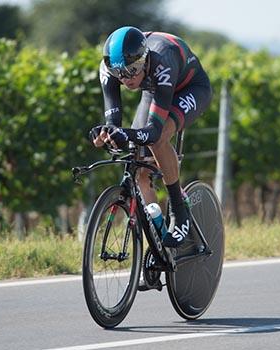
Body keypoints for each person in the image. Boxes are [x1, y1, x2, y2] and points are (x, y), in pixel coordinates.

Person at [90, 26, 212, 247]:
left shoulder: (162, 59)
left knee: (158, 138)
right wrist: (107, 134)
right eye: (120, 74)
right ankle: (157, 248)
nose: (126, 79)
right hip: (152, 87)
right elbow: (113, 123)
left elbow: (153, 131)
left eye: (132, 71)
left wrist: (125, 133)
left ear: (144, 60)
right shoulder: (110, 68)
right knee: (141, 170)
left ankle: (178, 207)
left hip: (189, 87)